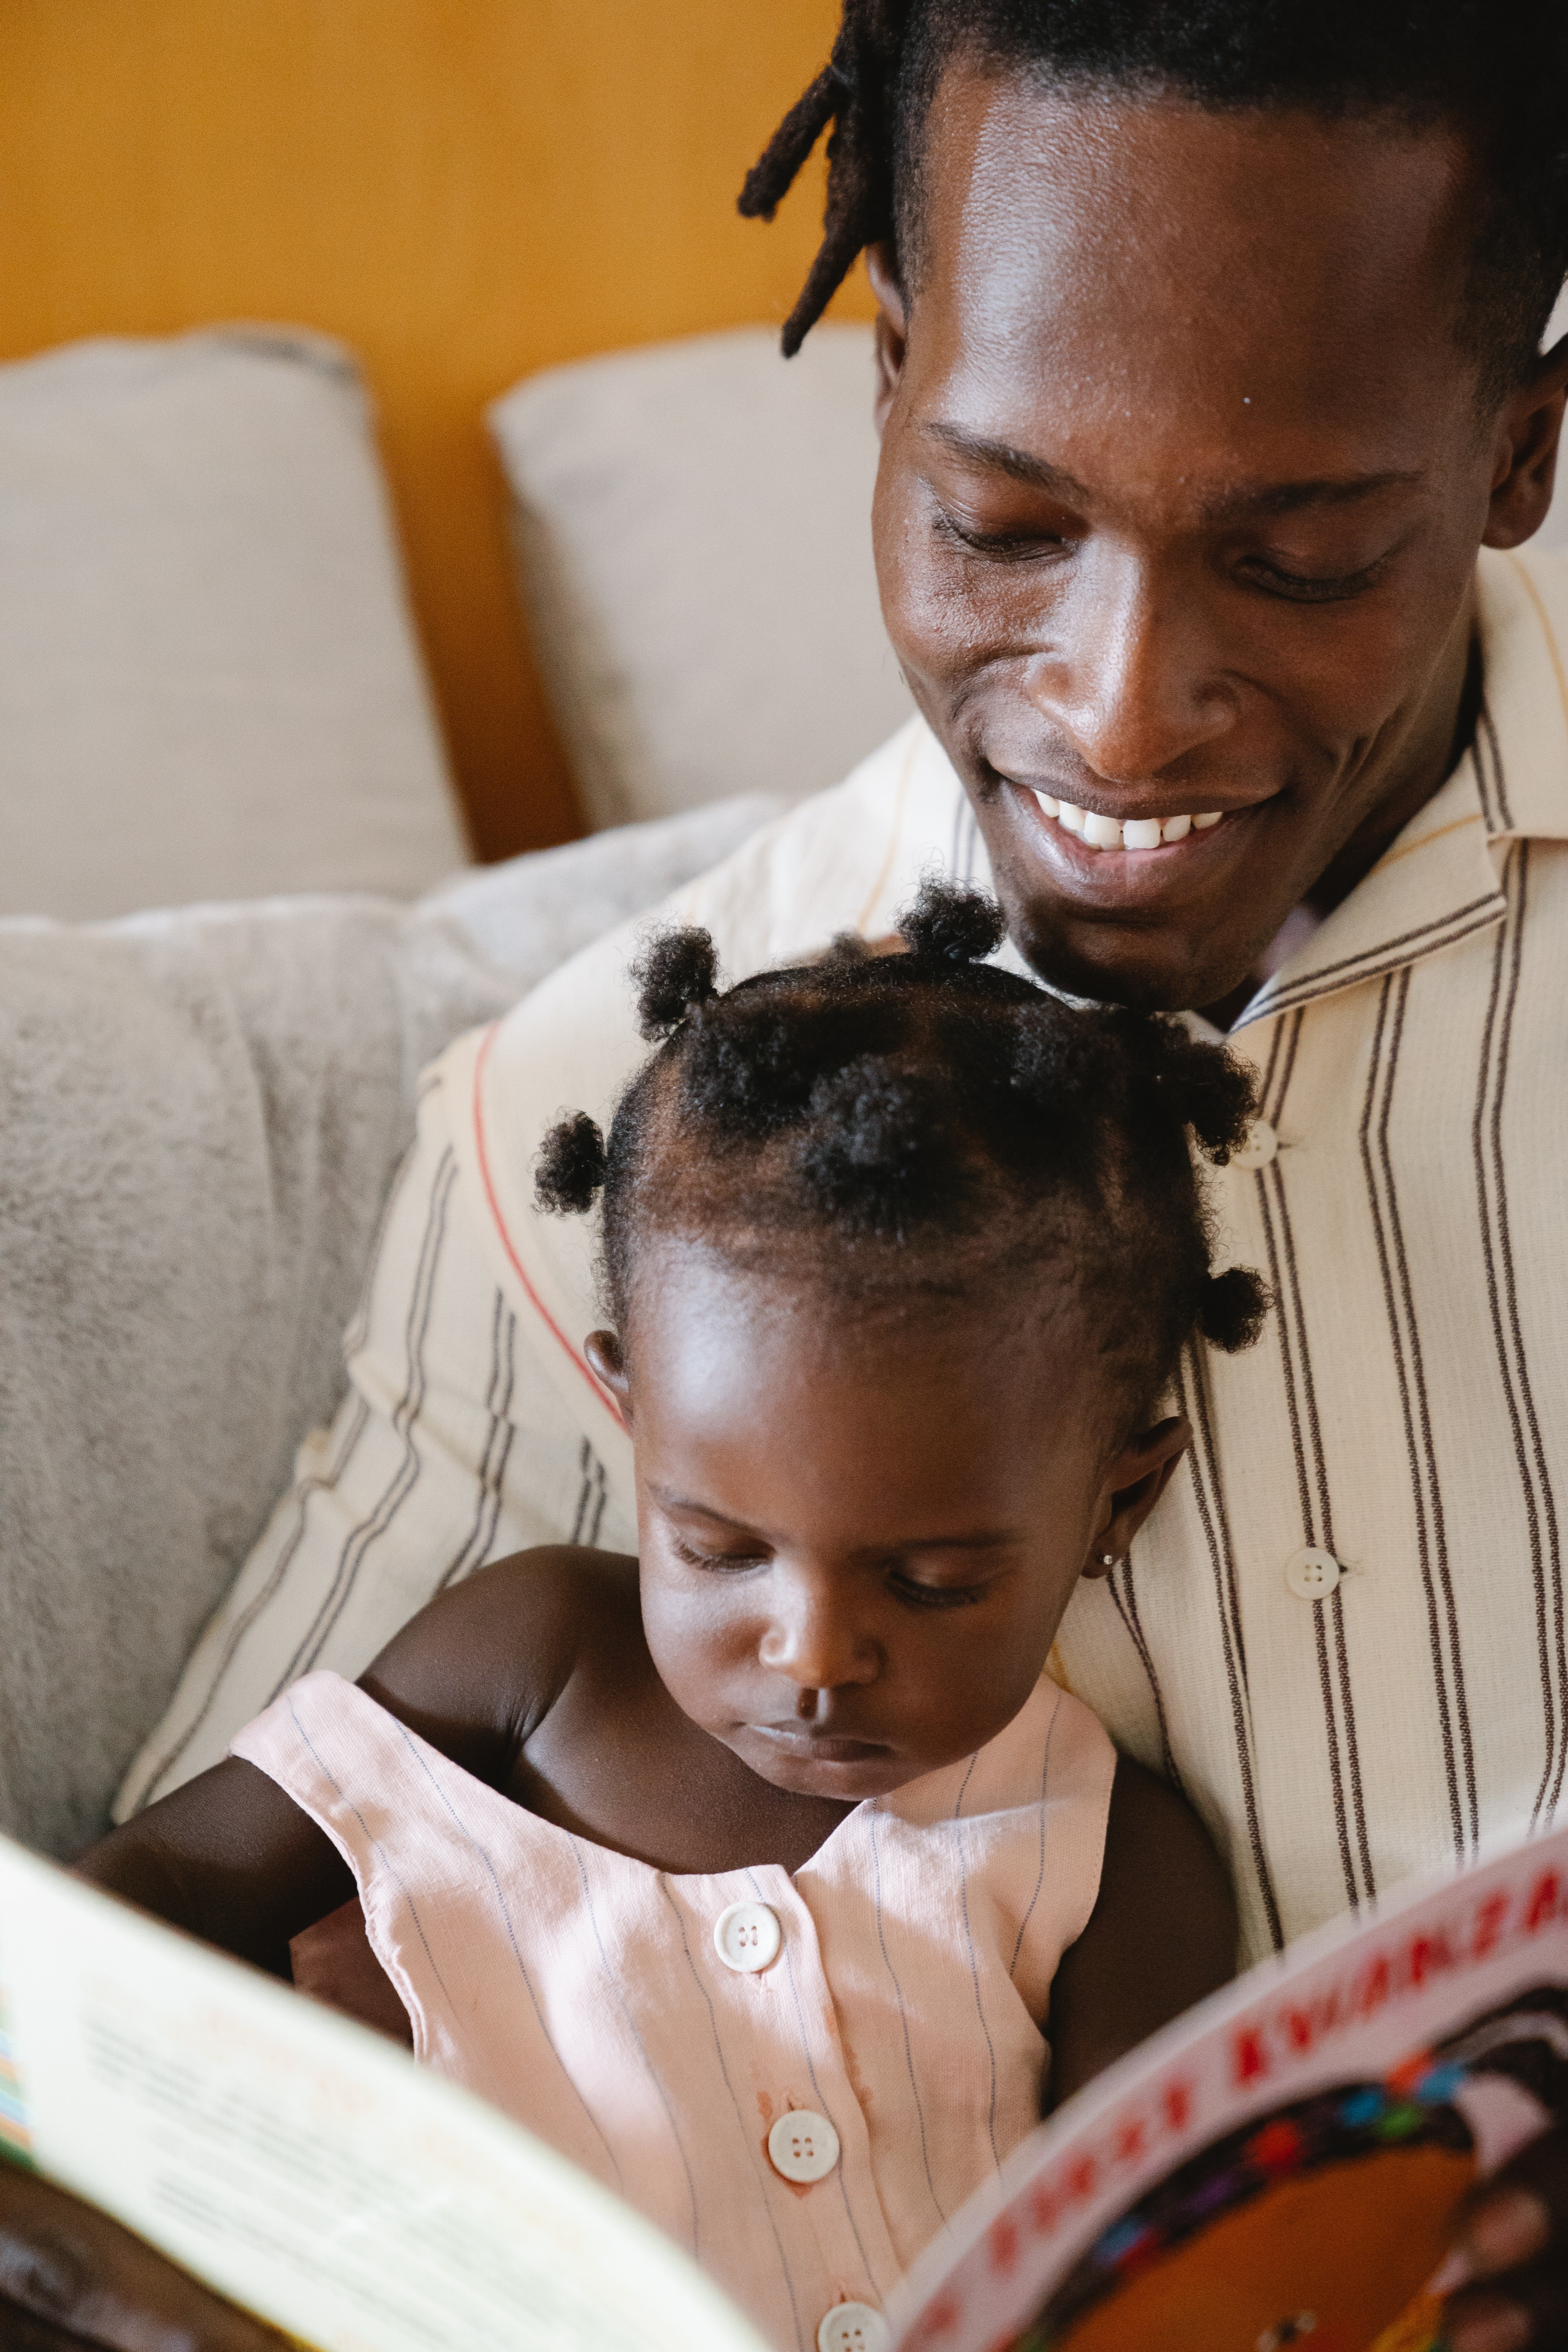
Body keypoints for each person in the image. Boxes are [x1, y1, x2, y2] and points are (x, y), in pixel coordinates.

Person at [9, 2, 1568, 2346]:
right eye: (1002, 522)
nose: (1122, 708)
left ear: (1521, 453)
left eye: (1303, 551)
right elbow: (205, 2009)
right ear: (884, 395)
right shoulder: (619, 1137)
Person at [65, 887, 1245, 2352]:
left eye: (931, 1582)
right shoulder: (537, 1660)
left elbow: (1156, 2268)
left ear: (1118, 1501)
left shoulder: (1113, 1859)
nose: (812, 1655)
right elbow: (152, 1888)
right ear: (632, 1417)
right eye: (719, 1546)